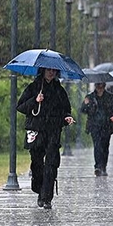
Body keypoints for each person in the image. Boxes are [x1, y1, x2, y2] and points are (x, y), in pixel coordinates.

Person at [16, 68, 75, 208]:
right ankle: (39, 189)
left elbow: (66, 109)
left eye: (54, 70)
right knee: (36, 162)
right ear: (43, 71)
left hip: (53, 130)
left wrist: (67, 117)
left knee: (51, 163)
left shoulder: (59, 91)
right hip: (36, 129)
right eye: (49, 70)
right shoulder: (33, 87)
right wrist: (35, 101)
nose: (51, 73)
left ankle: (46, 197)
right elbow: (21, 107)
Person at [80, 82, 113, 176]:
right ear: (95, 86)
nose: (100, 88)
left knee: (105, 146)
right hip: (94, 125)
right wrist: (86, 104)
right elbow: (83, 110)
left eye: (101, 86)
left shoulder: (110, 96)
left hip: (107, 125)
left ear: (104, 86)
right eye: (98, 86)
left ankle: (103, 166)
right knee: (97, 146)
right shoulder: (90, 97)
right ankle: (98, 166)